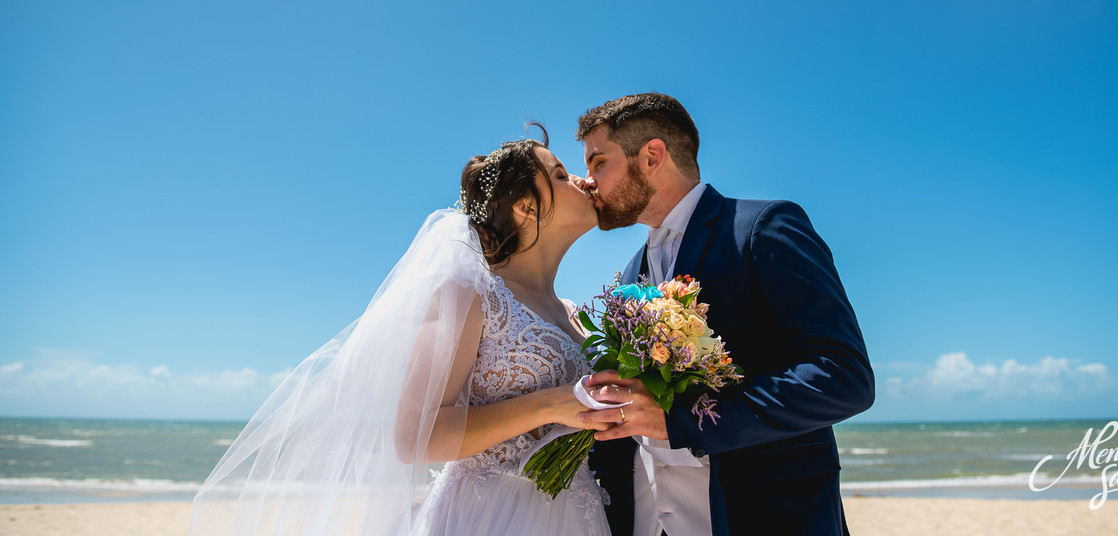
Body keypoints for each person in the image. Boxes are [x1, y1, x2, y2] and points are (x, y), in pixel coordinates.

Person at [190, 127, 617, 536]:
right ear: (525, 206)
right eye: (561, 175)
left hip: (576, 514)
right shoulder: (471, 293)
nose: (582, 181)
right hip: (491, 516)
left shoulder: (576, 314)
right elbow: (416, 436)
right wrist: (547, 405)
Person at [576, 93, 875, 536]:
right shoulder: (630, 269)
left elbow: (843, 377)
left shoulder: (763, 228)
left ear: (652, 156)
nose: (588, 181)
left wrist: (683, 420)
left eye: (598, 162)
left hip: (762, 514)